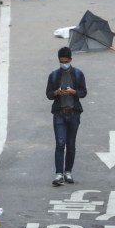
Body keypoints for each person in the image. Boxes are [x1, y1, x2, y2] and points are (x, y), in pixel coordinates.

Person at [45, 46, 87, 186]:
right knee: (60, 143)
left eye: (66, 61)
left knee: (71, 144)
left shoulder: (78, 74)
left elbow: (83, 92)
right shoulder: (54, 75)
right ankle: (59, 174)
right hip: (59, 114)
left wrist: (74, 92)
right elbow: (49, 94)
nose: (64, 64)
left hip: (74, 113)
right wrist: (57, 92)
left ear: (70, 59)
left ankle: (68, 171)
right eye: (61, 62)